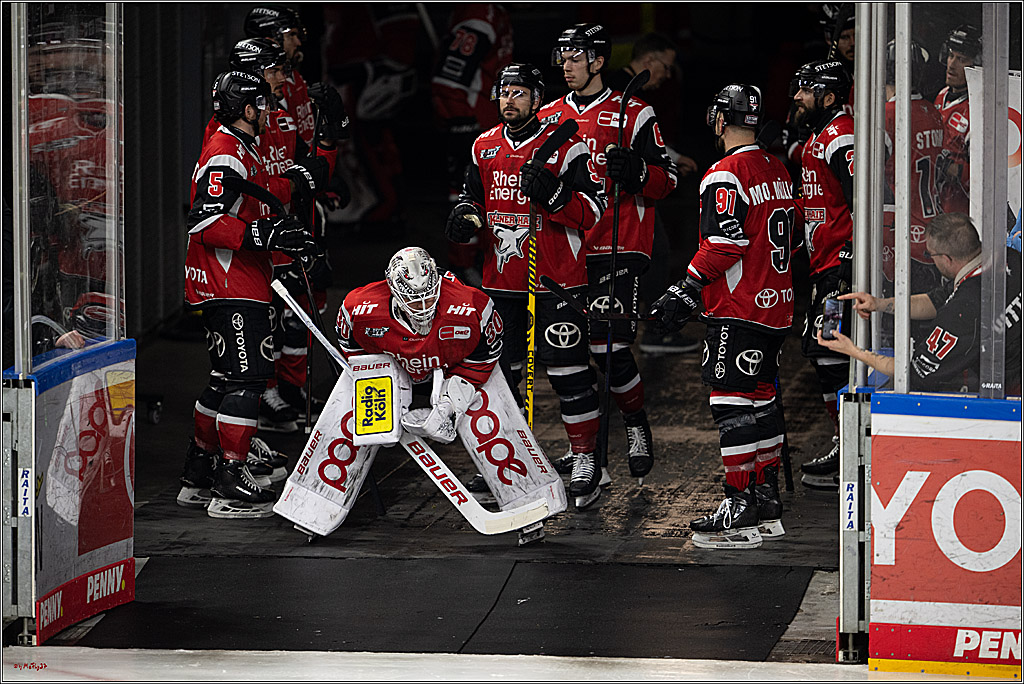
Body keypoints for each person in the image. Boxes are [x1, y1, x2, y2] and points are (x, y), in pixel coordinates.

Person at [444, 63, 609, 508]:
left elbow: (594, 211)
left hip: (557, 281)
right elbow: (473, 200)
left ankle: (586, 460)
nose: (509, 100)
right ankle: (511, 459)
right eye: (504, 92)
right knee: (500, 376)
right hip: (503, 283)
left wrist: (556, 197)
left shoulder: (566, 146)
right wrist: (464, 218)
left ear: (537, 99)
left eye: (519, 93)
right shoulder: (483, 145)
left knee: (568, 371)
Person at [650, 84, 796, 549]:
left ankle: (739, 502)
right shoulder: (777, 167)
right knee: (762, 400)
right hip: (777, 305)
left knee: (731, 405)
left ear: (718, 119)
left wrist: (686, 287)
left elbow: (725, 243)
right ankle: (765, 497)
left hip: (740, 308)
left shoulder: (724, 173)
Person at [179, 70, 322, 519]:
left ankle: (198, 473)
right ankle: (230, 481)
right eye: (262, 105)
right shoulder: (227, 150)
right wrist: (262, 234)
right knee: (248, 380)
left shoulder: (239, 146)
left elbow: (252, 198)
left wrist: (294, 186)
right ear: (246, 108)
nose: (268, 112)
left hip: (229, 280)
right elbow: (204, 220)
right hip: (230, 282)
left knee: (224, 380)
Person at [541, 24, 678, 485]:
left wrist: (638, 171)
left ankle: (636, 423)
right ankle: (584, 449)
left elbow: (669, 180)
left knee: (610, 347)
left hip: (618, 246)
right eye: (562, 57)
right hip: (567, 250)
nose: (566, 65)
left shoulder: (635, 112)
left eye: (575, 57)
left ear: (598, 61)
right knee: (568, 355)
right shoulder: (549, 115)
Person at [210, 37, 345, 435]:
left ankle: (288, 391)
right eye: (275, 69)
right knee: (256, 338)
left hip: (282, 237)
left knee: (297, 320)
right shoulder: (226, 134)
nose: (284, 77)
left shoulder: (280, 119)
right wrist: (288, 189)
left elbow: (312, 170)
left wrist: (330, 135)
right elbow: (219, 208)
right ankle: (258, 409)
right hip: (248, 251)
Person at [817, 212, 1022, 395]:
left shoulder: (960, 313)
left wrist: (853, 351)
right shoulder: (1011, 258)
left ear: (946, 259)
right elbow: (937, 299)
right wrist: (879, 304)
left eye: (929, 254)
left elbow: (912, 372)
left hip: (1013, 399)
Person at [604, 32, 702, 355]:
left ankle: (647, 331)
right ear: (648, 60)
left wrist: (671, 158)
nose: (668, 75)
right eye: (666, 66)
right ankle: (653, 333)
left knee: (653, 253)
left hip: (626, 196)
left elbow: (641, 142)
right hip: (617, 200)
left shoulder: (625, 93)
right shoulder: (620, 93)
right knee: (654, 253)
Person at [791, 59, 855, 490]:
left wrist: (851, 254)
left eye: (806, 90)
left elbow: (865, 196)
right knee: (824, 354)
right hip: (824, 265)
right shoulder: (819, 134)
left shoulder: (840, 135)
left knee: (831, 353)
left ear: (828, 97)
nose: (797, 97)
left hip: (839, 268)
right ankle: (845, 444)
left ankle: (849, 451)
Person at [336, 246, 502, 405]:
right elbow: (354, 354)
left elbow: (486, 355)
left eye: (428, 299)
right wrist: (378, 375)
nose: (423, 308)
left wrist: (454, 396)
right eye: (413, 301)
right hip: (391, 377)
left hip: (452, 372)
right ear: (393, 291)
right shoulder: (359, 310)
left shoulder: (472, 307)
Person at [431, 4, 514, 287]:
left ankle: (480, 263)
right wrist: (461, 123)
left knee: (491, 196)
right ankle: (462, 268)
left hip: (489, 121)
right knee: (468, 196)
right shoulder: (479, 12)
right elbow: (447, 79)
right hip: (474, 123)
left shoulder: (492, 11)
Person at [880, 39, 946, 297]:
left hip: (902, 236)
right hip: (933, 230)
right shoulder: (932, 111)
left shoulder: (887, 115)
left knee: (893, 313)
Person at [934, 24, 981, 216]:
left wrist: (951, 168)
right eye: (950, 55)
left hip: (961, 214)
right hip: (936, 205)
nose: (951, 64)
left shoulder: (979, 108)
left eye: (961, 59)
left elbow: (984, 174)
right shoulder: (941, 96)